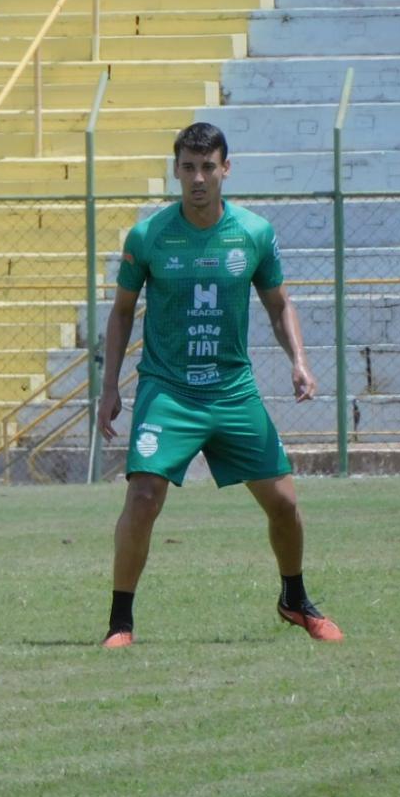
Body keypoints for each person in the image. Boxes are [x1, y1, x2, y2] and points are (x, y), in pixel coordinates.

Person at [96, 121, 344, 648]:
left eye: (208, 166)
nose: (198, 178)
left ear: (225, 169)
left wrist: (299, 361)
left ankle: (294, 599)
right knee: (143, 495)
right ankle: (121, 623)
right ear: (177, 171)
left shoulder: (253, 233)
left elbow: (279, 304)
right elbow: (120, 314)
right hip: (168, 390)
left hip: (232, 391)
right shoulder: (148, 236)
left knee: (284, 503)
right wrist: (110, 385)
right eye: (188, 167)